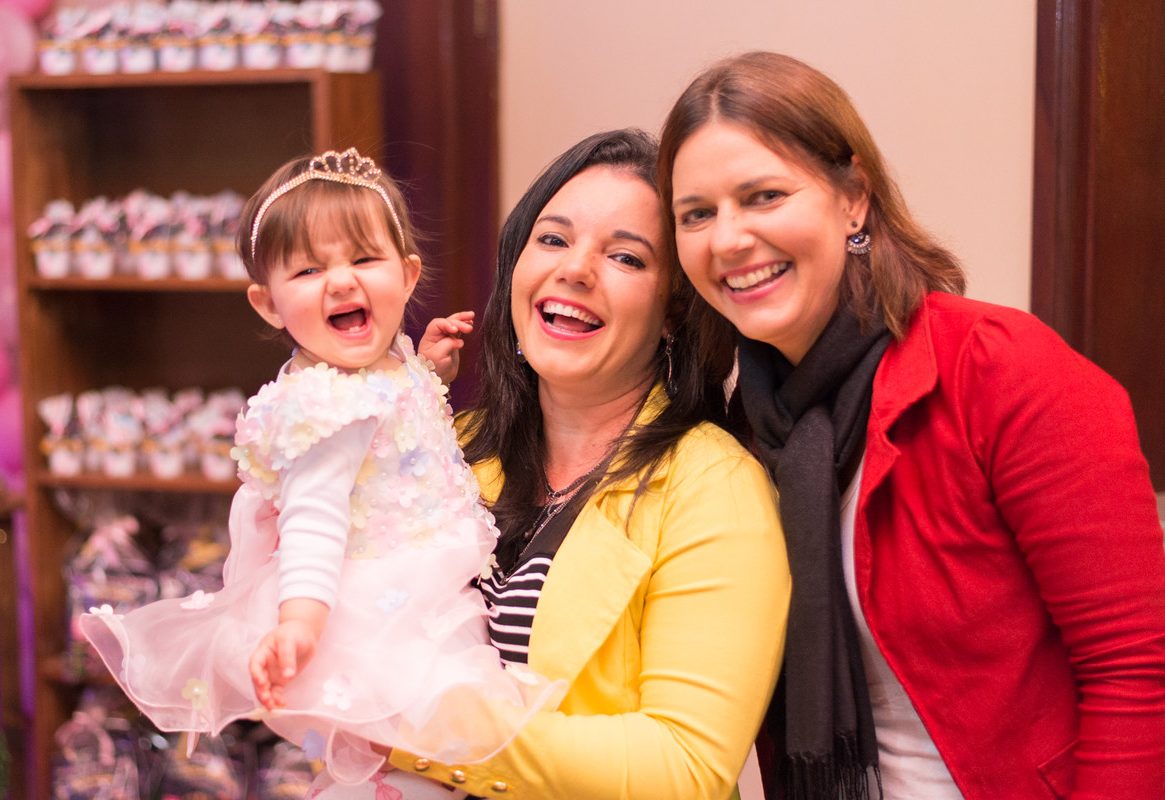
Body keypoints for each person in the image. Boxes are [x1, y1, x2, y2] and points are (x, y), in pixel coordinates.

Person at [658, 50, 1165, 800]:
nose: (727, 239)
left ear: (854, 199)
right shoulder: (741, 430)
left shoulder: (997, 367)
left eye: (763, 196)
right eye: (696, 214)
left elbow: (1135, 666)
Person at [80, 148, 563, 799]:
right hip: (377, 603)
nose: (340, 282)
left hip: (417, 578)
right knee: (421, 740)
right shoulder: (328, 406)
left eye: (364, 259)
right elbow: (314, 519)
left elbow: (396, 422)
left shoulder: (380, 360)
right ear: (268, 303)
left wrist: (428, 367)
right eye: (308, 270)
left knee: (409, 754)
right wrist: (301, 624)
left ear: (407, 274)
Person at [393, 128, 790, 799]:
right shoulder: (453, 445)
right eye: (552, 239)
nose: (575, 269)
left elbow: (684, 768)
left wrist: (412, 728)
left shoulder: (714, 487)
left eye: (626, 258)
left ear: (674, 311)